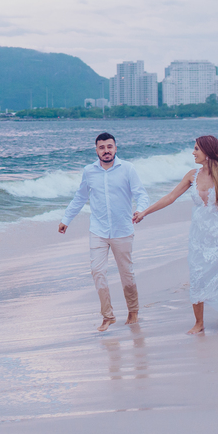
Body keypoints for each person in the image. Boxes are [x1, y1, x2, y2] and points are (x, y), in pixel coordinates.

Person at [133, 135, 218, 334]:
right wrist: (144, 212)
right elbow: (170, 197)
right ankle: (199, 323)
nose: (193, 152)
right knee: (197, 275)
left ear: (208, 152)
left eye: (196, 149)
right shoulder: (191, 175)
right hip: (200, 238)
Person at [59, 132, 151, 332]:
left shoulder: (128, 169)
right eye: (102, 147)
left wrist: (140, 210)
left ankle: (133, 311)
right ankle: (107, 316)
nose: (106, 151)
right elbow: (80, 197)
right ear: (96, 150)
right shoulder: (89, 171)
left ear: (116, 148)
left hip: (122, 230)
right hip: (98, 231)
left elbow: (140, 193)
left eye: (109, 147)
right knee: (97, 271)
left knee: (126, 273)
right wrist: (66, 219)